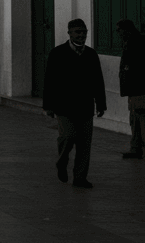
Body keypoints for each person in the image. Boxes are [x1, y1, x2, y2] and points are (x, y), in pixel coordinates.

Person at [43, 18, 107, 188]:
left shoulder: (91, 54)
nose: (82, 35)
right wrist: (48, 105)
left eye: (84, 32)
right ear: (69, 33)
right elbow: (49, 80)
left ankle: (80, 177)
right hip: (64, 106)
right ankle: (62, 162)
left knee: (85, 144)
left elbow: (98, 81)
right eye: (78, 32)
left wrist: (101, 104)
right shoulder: (57, 53)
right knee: (67, 136)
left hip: (85, 106)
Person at [116, 19, 145, 159]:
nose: (118, 33)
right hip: (133, 90)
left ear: (126, 30)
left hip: (138, 89)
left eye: (119, 29)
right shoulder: (131, 42)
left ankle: (137, 147)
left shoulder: (136, 43)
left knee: (140, 118)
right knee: (135, 119)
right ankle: (136, 147)